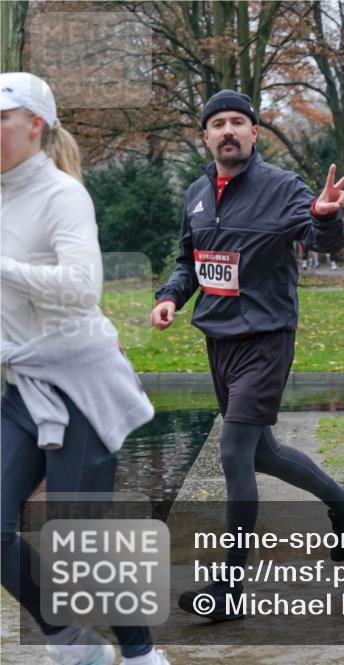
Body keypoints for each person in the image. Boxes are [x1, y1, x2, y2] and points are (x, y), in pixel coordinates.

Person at [149, 90, 344, 621]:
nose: (228, 131)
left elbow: (326, 243)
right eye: (218, 124)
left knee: (233, 452)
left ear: (254, 133)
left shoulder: (281, 188)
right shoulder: (197, 193)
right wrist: (169, 296)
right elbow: (190, 260)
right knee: (260, 453)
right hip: (219, 339)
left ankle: (228, 588)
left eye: (238, 122)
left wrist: (323, 217)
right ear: (205, 136)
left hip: (266, 337)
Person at [1, 72, 170, 665]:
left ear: (34, 126)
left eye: (1, 117)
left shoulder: (62, 195)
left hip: (79, 385)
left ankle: (142, 654)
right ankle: (74, 646)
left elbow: (81, 288)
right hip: (25, 387)